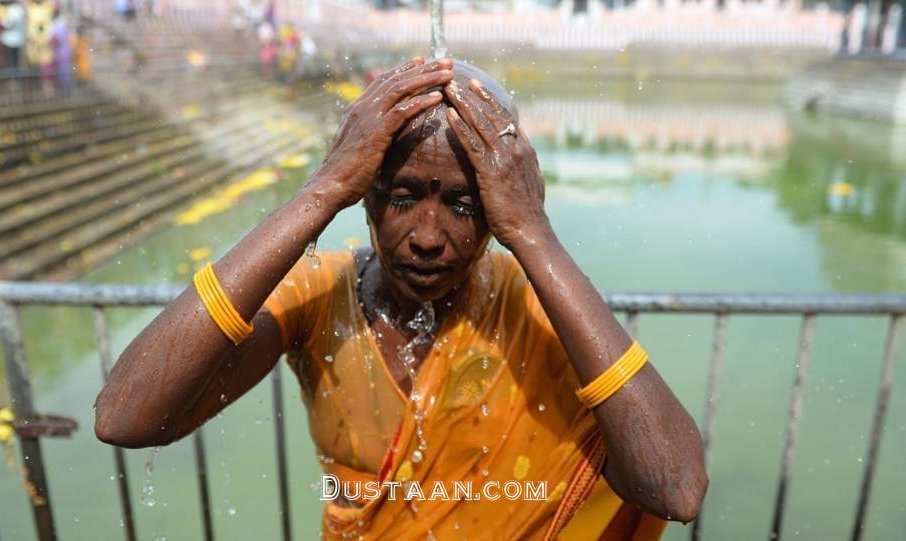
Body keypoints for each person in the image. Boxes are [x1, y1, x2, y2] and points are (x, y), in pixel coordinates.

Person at [94, 58, 707, 539]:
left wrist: (534, 235)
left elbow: (676, 488)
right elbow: (127, 418)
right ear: (366, 196)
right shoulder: (321, 295)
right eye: (402, 197)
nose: (428, 238)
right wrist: (321, 190)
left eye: (465, 206)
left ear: (500, 213)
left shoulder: (533, 306)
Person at [0, 0, 26, 72]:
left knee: (10, 61)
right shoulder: (20, 9)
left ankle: (12, 77)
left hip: (10, 40)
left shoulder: (13, 10)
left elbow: (8, 23)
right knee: (15, 60)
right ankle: (15, 76)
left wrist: (0, 24)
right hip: (17, 39)